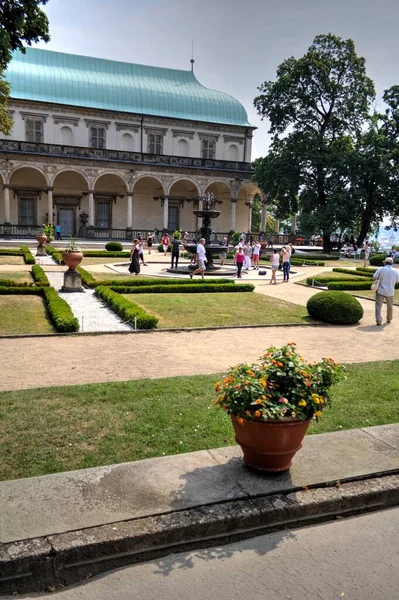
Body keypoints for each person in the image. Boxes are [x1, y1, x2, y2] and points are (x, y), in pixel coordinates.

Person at [373, 257, 399, 325]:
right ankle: (389, 319)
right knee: (390, 306)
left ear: (385, 263)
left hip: (381, 290)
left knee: (378, 306)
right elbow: (397, 281)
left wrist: (379, 278)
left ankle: (378, 321)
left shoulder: (381, 269)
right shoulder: (396, 271)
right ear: (391, 263)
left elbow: (374, 277)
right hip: (390, 291)